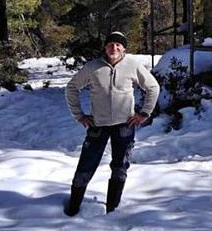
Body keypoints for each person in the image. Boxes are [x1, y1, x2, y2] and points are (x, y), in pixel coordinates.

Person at [63, 31, 160, 216]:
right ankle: (72, 209)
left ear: (124, 48)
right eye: (110, 45)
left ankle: (112, 210)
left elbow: (153, 87)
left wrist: (144, 113)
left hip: (125, 125)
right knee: (86, 165)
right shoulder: (93, 67)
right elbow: (72, 87)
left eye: (118, 45)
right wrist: (79, 115)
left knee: (120, 167)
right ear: (105, 47)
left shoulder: (133, 65)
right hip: (97, 125)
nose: (114, 48)